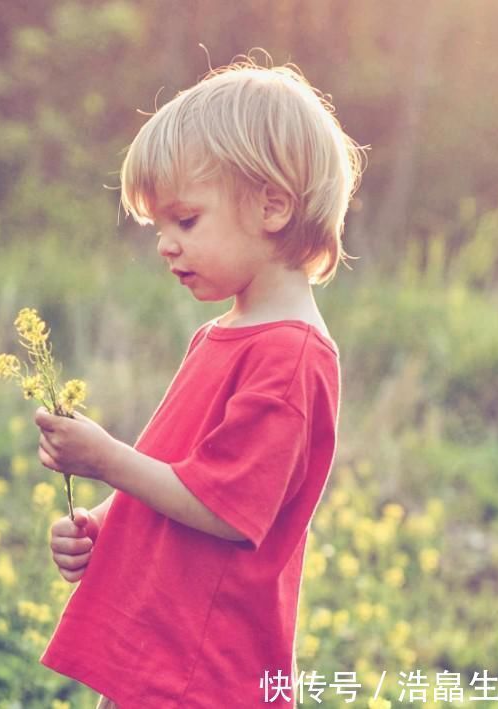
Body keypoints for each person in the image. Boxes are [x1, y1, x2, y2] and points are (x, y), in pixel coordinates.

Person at [32, 52, 366, 708]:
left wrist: (107, 460)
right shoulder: (221, 335)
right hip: (160, 647)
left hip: (207, 670)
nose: (165, 244)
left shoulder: (292, 355)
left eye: (185, 220)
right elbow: (179, 468)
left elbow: (224, 508)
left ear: (272, 206)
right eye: (159, 226)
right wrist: (106, 521)